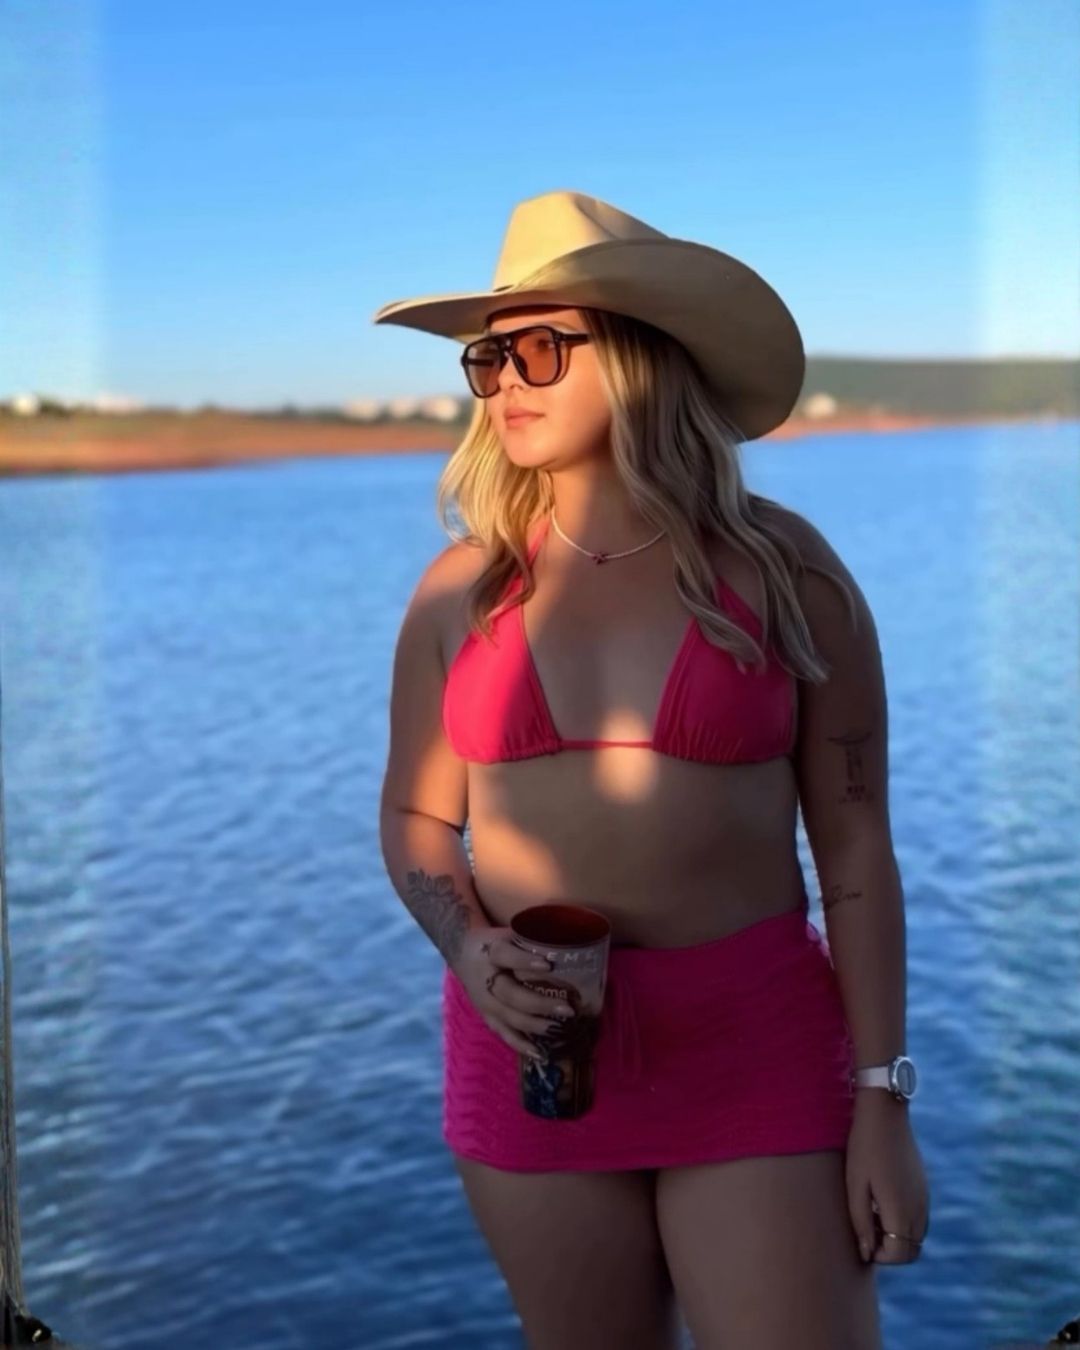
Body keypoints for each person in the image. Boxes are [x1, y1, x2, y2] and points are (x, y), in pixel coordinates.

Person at [376, 190, 930, 1350]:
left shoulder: (787, 575)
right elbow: (419, 818)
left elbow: (855, 849)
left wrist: (882, 1096)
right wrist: (468, 948)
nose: (506, 381)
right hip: (531, 1052)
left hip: (752, 1046)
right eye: (488, 358)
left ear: (639, 355)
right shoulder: (458, 594)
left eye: (540, 348)